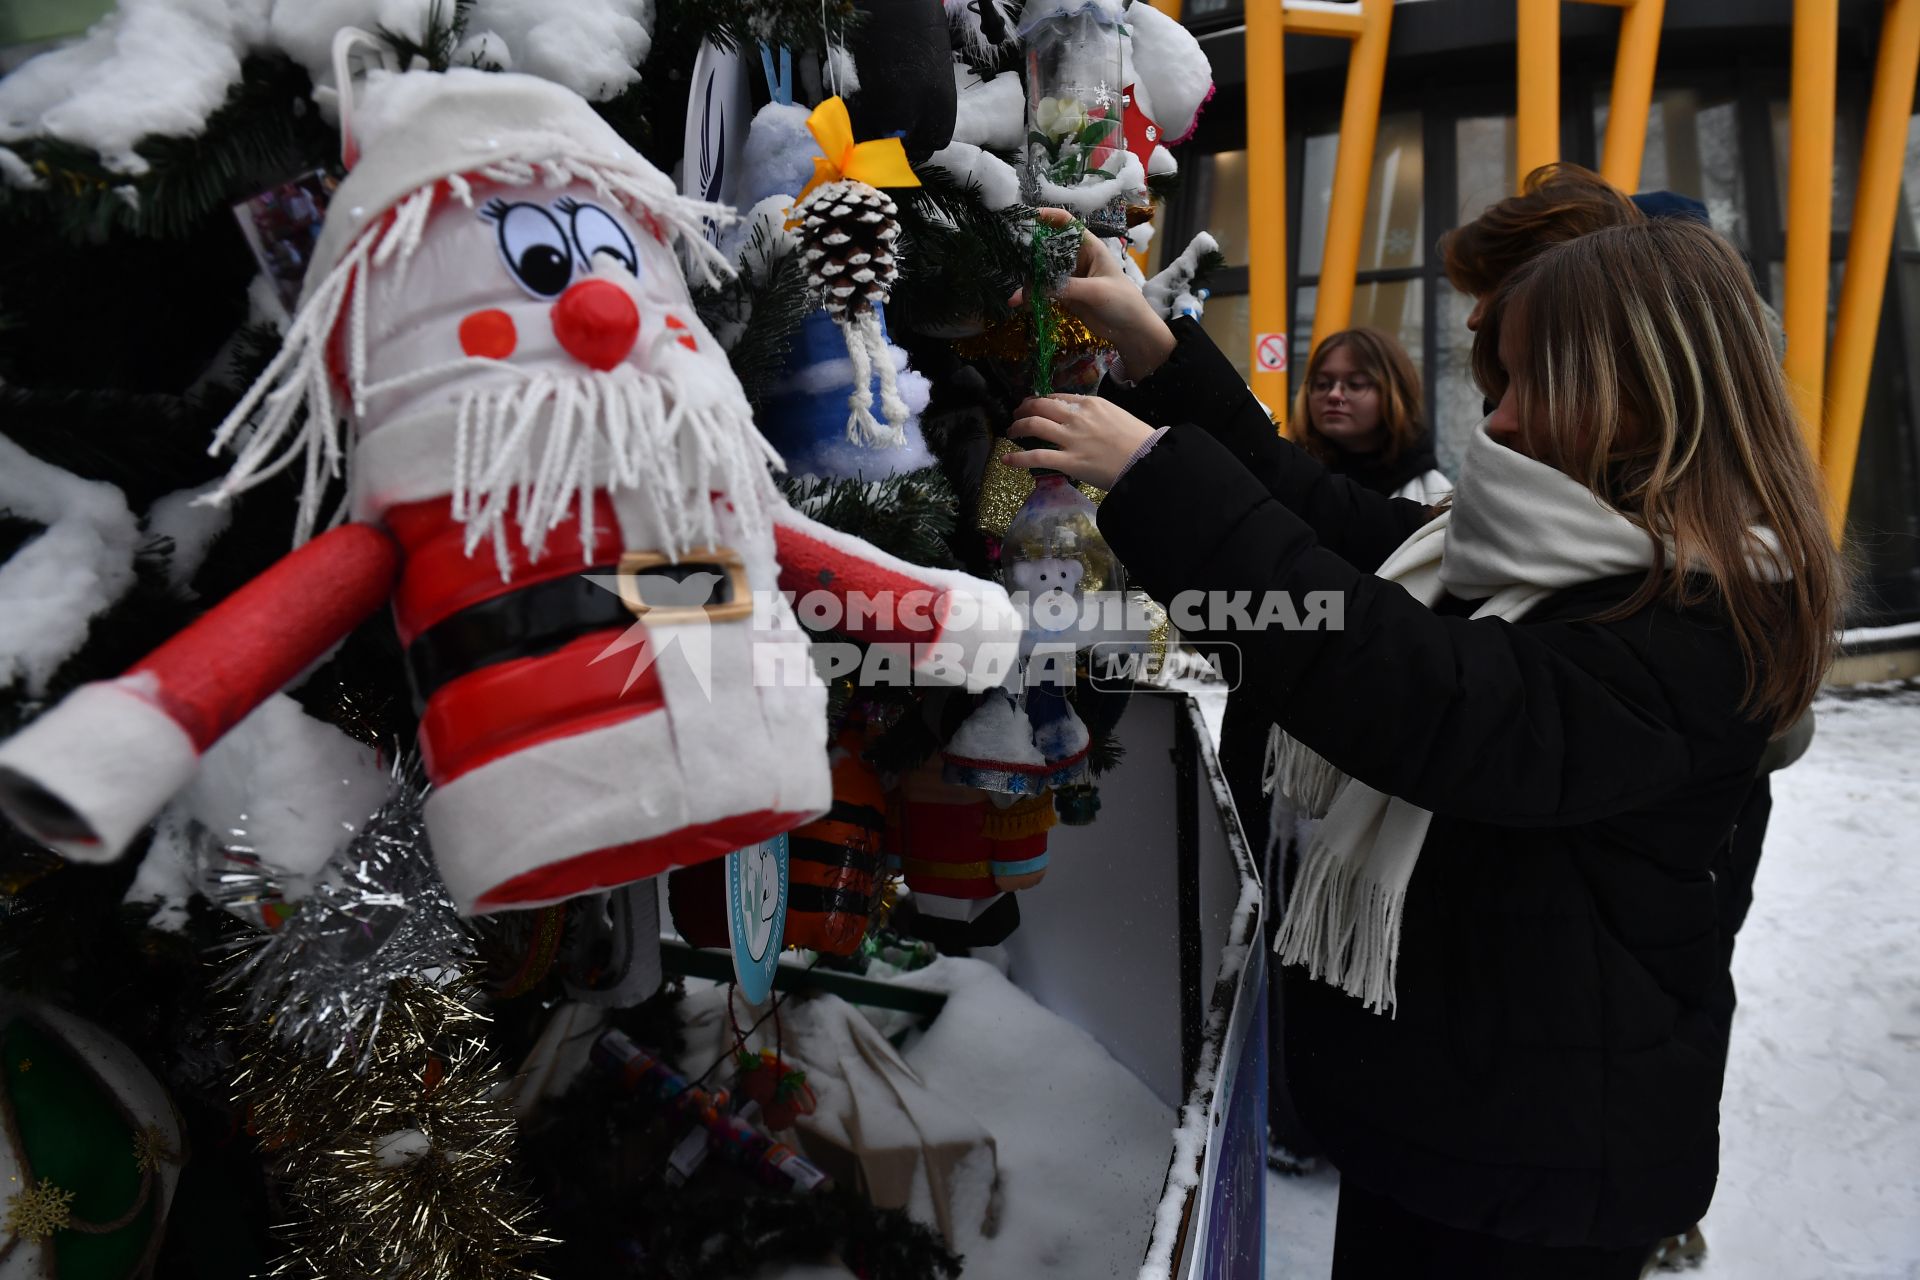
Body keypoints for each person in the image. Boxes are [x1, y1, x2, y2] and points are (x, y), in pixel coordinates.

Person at [1004, 213, 1842, 1278]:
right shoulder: (1536, 546)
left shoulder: (1706, 623)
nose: (1496, 419)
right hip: (1458, 1125)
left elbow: (1426, 696)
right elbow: (1317, 510)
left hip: (1546, 1179)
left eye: (1528, 380)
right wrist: (1156, 347)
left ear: (1636, 400)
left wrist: (1161, 475)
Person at [1288, 328, 1451, 503]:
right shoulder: (1285, 478)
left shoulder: (1434, 494)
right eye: (1322, 384)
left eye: (1355, 384)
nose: (1334, 395)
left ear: (1394, 393)